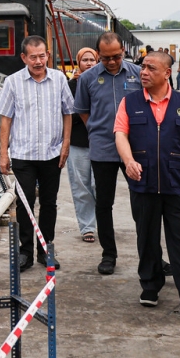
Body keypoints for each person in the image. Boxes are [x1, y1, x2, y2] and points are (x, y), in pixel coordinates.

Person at [114, 51, 180, 317]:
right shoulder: (130, 102)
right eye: (143, 67)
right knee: (147, 237)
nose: (143, 72)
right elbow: (120, 134)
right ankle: (150, 285)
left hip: (178, 182)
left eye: (151, 68)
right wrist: (128, 160)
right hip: (143, 182)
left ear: (167, 73)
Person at [0, 35, 75, 272]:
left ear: (47, 55)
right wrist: (4, 152)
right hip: (23, 154)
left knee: (50, 203)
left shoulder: (59, 79)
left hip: (52, 153)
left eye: (42, 56)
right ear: (24, 58)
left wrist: (66, 144)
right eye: (33, 57)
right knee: (25, 203)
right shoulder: (13, 82)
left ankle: (46, 249)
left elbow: (67, 113)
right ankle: (26, 252)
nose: (38, 61)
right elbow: (6, 119)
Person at [75, 32, 143, 274]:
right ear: (98, 54)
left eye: (116, 57)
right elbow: (83, 110)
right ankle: (108, 255)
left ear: (123, 52)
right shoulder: (88, 78)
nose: (112, 62)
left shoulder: (137, 74)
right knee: (104, 204)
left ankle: (151, 254)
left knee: (143, 202)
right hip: (102, 149)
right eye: (106, 58)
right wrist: (97, 129)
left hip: (135, 150)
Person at [67, 47, 99, 244]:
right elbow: (67, 115)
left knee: (99, 186)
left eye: (92, 60)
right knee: (81, 187)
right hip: (77, 143)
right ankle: (87, 227)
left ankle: (103, 223)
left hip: (101, 142)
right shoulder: (70, 86)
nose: (88, 63)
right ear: (78, 63)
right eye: (85, 60)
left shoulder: (102, 82)